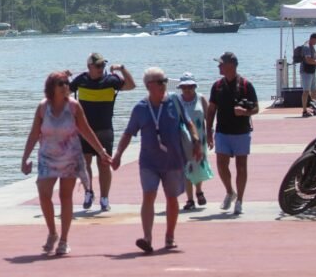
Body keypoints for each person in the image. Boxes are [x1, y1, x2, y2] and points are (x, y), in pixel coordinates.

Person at [111, 67, 201, 254]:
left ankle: (170, 236)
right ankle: (147, 237)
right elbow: (128, 133)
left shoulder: (175, 102)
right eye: (160, 81)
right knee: (148, 196)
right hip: (149, 162)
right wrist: (118, 154)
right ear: (149, 85)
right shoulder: (140, 108)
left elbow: (188, 122)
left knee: (171, 198)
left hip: (173, 160)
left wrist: (196, 139)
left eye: (165, 81)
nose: (164, 85)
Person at [22, 71, 111, 256]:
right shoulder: (42, 108)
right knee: (44, 193)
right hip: (47, 158)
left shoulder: (73, 107)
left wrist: (101, 152)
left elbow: (86, 131)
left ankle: (64, 240)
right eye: (61, 83)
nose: (65, 86)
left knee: (65, 197)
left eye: (66, 83)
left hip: (70, 157)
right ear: (51, 87)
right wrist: (25, 158)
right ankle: (52, 233)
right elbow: (33, 134)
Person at [69, 52, 136, 212]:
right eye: (98, 66)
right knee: (85, 163)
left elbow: (131, 85)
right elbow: (63, 93)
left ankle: (104, 198)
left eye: (103, 65)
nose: (101, 68)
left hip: (105, 130)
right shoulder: (81, 80)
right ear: (89, 67)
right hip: (84, 130)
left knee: (104, 164)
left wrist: (122, 69)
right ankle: (88, 192)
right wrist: (63, 78)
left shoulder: (111, 80)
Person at [206, 52, 259, 216]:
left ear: (231, 65)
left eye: (221, 64)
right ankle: (230, 191)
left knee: (241, 167)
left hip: (241, 132)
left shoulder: (245, 85)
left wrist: (244, 112)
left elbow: (256, 108)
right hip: (222, 131)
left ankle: (240, 201)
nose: (218, 66)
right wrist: (208, 131)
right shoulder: (217, 86)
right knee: (221, 165)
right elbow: (211, 109)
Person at [177, 72, 213, 211]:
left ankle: (199, 191)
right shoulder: (177, 100)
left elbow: (209, 118)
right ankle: (190, 199)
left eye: (190, 86)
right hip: (183, 138)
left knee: (199, 164)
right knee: (187, 167)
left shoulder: (201, 98)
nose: (187, 89)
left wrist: (210, 134)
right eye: (185, 87)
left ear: (194, 86)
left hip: (200, 137)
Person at [300, 33, 316, 117]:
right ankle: (304, 111)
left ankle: (315, 108)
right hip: (306, 71)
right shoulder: (306, 47)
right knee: (306, 91)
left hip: (311, 71)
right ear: (313, 39)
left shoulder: (311, 46)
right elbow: (308, 60)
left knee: (314, 90)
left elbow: (312, 56)